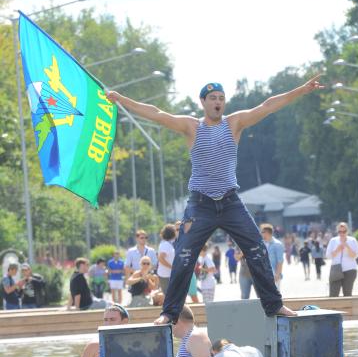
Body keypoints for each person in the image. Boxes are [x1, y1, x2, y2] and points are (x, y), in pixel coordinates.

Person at [106, 74, 323, 324]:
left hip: (230, 202)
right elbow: (157, 113)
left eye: (221, 98)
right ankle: (169, 312)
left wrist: (301, 90)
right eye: (212, 98)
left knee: (256, 249)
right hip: (201, 205)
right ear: (203, 102)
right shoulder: (191, 126)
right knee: (184, 256)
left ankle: (274, 305)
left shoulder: (234, 123)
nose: (218, 102)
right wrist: (122, 99)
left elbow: (268, 105)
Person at [326, 222, 358, 297]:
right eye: (340, 232)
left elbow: (354, 256)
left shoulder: (352, 240)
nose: (342, 234)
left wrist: (347, 246)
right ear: (337, 232)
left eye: (344, 232)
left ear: (347, 231)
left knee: (347, 294)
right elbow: (328, 256)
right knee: (333, 294)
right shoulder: (333, 241)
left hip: (350, 269)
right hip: (336, 269)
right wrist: (338, 249)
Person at [260, 224, 284, 289]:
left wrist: (277, 275)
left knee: (275, 297)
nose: (261, 234)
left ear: (267, 233)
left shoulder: (277, 244)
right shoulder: (262, 244)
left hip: (274, 276)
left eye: (262, 232)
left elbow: (280, 261)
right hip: (264, 276)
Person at [157, 224, 176, 295]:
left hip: (167, 275)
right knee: (170, 296)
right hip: (166, 275)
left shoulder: (166, 244)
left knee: (171, 296)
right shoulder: (166, 245)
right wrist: (172, 267)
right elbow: (161, 258)